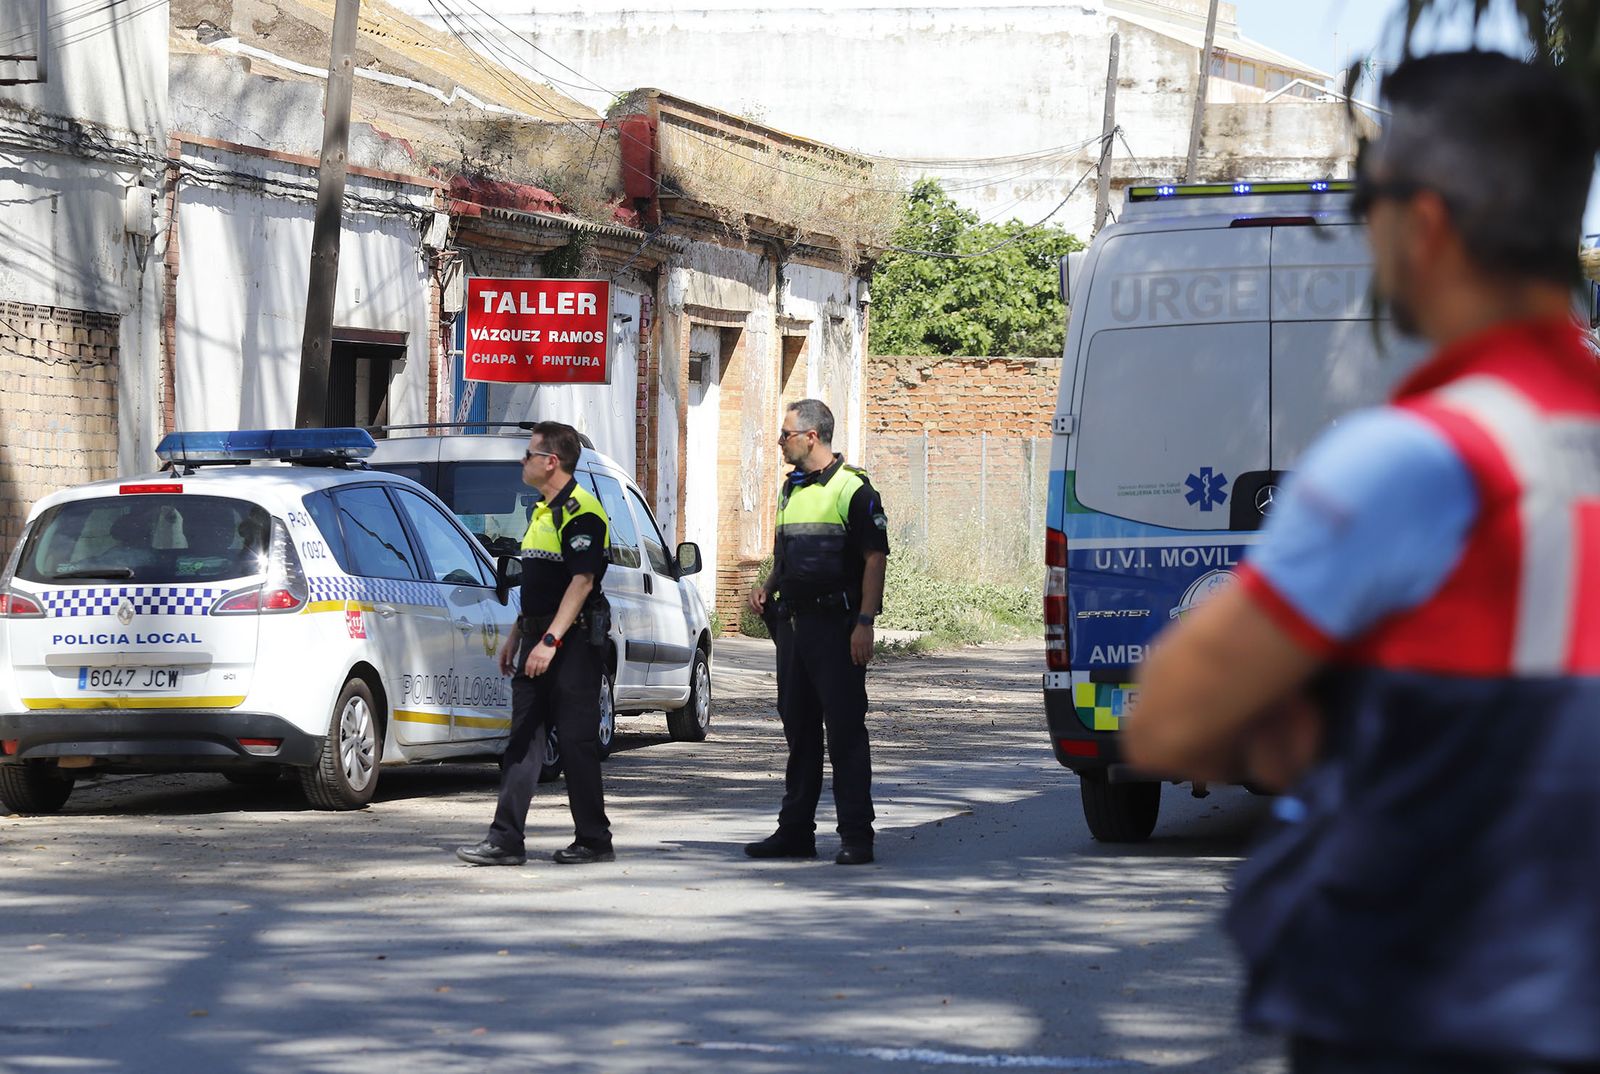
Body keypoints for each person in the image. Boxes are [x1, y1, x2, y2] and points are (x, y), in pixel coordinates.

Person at [1124, 51, 1600, 1073]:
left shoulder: (1420, 459)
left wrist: (1315, 726)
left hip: (1432, 1010)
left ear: (1423, 222)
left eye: (1368, 199)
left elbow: (1165, 719)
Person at [456, 421, 614, 867]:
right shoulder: (542, 512)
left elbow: (582, 582)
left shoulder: (582, 511)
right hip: (537, 637)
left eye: (528, 454)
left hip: (575, 642)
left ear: (551, 462)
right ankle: (506, 840)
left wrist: (549, 640)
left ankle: (594, 839)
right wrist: (517, 635)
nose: (521, 461)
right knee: (523, 740)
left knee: (579, 742)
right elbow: (539, 586)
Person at [745, 399, 889, 865]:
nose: (780, 442)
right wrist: (767, 585)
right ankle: (795, 833)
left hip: (837, 627)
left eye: (785, 434)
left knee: (845, 732)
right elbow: (786, 555)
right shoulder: (791, 489)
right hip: (793, 626)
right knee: (799, 733)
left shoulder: (855, 490)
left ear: (811, 436)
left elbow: (875, 559)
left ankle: (856, 836)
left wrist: (865, 623)